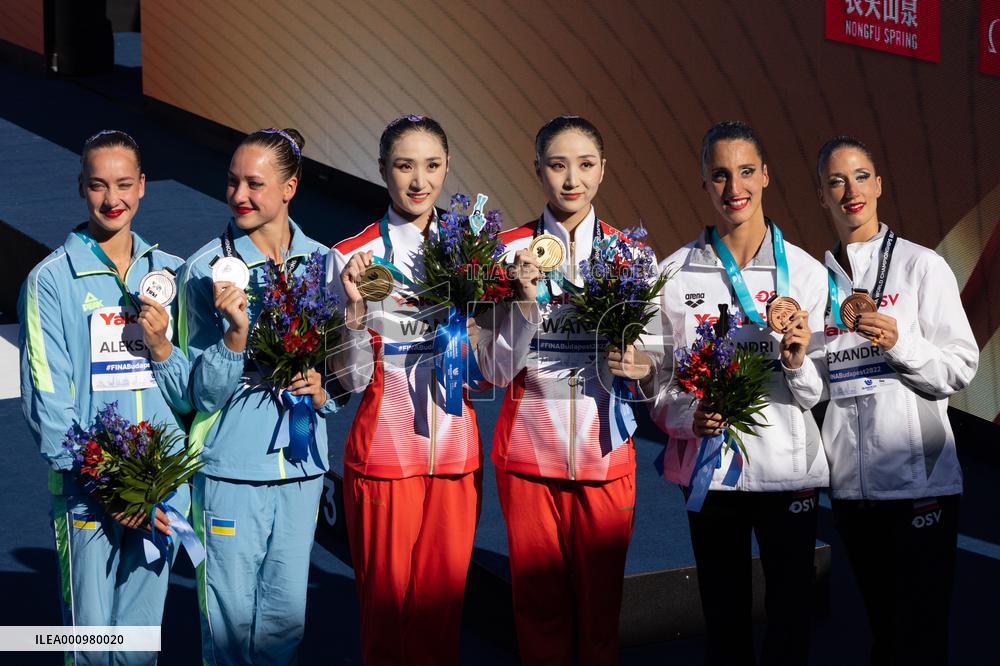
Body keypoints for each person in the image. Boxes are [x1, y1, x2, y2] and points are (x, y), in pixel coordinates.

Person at [649, 120, 828, 666]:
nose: (734, 189)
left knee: (791, 620)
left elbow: (817, 388)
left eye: (746, 172)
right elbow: (659, 386)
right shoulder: (674, 273)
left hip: (788, 471)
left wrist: (797, 364)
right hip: (711, 472)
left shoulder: (806, 272)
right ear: (704, 182)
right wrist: (689, 415)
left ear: (766, 175)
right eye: (720, 175)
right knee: (724, 621)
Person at [475, 115, 653, 665]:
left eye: (584, 164)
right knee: (539, 610)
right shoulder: (505, 251)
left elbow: (656, 364)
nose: (571, 180)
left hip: (607, 455)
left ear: (603, 171)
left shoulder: (632, 255)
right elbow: (493, 371)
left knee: (602, 611)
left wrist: (642, 367)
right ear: (537, 172)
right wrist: (526, 305)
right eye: (557, 165)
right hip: (529, 456)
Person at [19, 129, 191, 665]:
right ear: (80, 189)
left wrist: (153, 487)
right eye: (97, 185)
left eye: (123, 184)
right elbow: (48, 401)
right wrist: (112, 486)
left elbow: (186, 386)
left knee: (139, 645)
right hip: (88, 491)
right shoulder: (50, 281)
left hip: (158, 492)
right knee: (90, 646)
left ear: (143, 187)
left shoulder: (173, 275)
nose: (111, 198)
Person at [816, 135, 978, 666]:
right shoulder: (816, 285)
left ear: (879, 186)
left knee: (920, 640)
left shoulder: (920, 267)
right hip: (852, 492)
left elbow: (961, 366)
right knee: (883, 635)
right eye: (836, 181)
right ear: (822, 195)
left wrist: (900, 343)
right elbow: (818, 388)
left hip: (920, 485)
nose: (850, 191)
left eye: (861, 176)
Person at [328, 115, 481, 666]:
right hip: (384, 461)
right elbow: (346, 379)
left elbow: (485, 368)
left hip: (458, 460)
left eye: (433, 166)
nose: (420, 181)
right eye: (404, 166)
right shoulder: (352, 256)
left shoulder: (472, 254)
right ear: (381, 171)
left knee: (442, 622)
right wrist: (353, 312)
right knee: (386, 623)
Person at [180, 128, 337, 665]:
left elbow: (337, 365)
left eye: (254, 183)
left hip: (302, 469)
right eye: (232, 181)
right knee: (227, 630)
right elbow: (199, 393)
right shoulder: (203, 270)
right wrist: (234, 336)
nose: (239, 195)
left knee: (283, 623)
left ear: (290, 188)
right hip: (230, 473)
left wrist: (322, 391)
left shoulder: (323, 263)